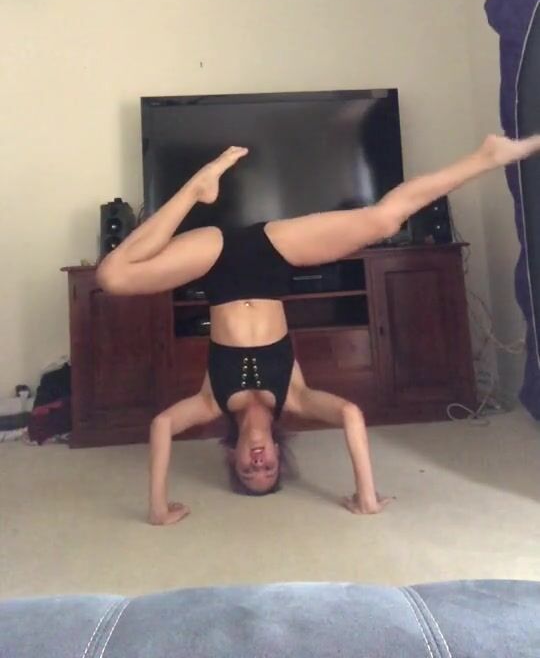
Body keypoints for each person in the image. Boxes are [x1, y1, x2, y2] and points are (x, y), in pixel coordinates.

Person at [97, 134, 540, 525]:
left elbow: (161, 425)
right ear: (277, 454)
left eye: (249, 470)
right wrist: (366, 496)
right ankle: (487, 156)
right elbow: (350, 414)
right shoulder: (295, 396)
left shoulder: (211, 402)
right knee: (384, 220)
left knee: (112, 276)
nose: (258, 463)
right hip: (273, 257)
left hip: (214, 264)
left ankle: (195, 189)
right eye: (268, 469)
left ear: (232, 457)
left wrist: (158, 507)